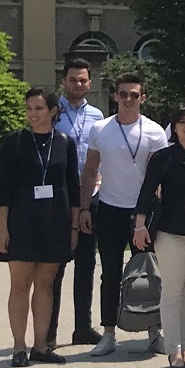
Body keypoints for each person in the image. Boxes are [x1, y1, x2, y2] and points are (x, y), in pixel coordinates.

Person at [80, 73, 169, 356]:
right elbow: (91, 170)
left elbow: (159, 178)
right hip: (108, 208)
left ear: (142, 98)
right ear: (114, 96)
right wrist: (84, 207)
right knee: (110, 273)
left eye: (134, 94)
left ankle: (156, 331)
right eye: (123, 94)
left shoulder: (154, 131)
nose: (128, 99)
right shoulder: (100, 129)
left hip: (142, 212)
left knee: (151, 273)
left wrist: (156, 213)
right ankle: (108, 333)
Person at [0, 90, 82, 366]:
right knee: (20, 285)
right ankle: (19, 347)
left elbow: (73, 186)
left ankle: (41, 346)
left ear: (53, 111)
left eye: (39, 108)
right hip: (21, 221)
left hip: (55, 221)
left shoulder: (65, 142)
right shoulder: (15, 142)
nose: (33, 114)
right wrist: (2, 227)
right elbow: (4, 188)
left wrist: (74, 225)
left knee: (46, 285)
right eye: (30, 108)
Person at [132, 107, 185, 368]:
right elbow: (146, 192)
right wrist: (140, 226)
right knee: (173, 291)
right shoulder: (164, 158)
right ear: (174, 128)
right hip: (170, 233)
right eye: (182, 122)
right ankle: (173, 351)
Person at [49, 59, 104, 349]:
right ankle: (49, 331)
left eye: (83, 80)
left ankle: (82, 326)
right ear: (63, 82)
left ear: (90, 84)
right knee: (55, 265)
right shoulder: (52, 112)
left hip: (90, 196)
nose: (78, 85)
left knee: (86, 263)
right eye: (73, 80)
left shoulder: (97, 115)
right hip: (61, 195)